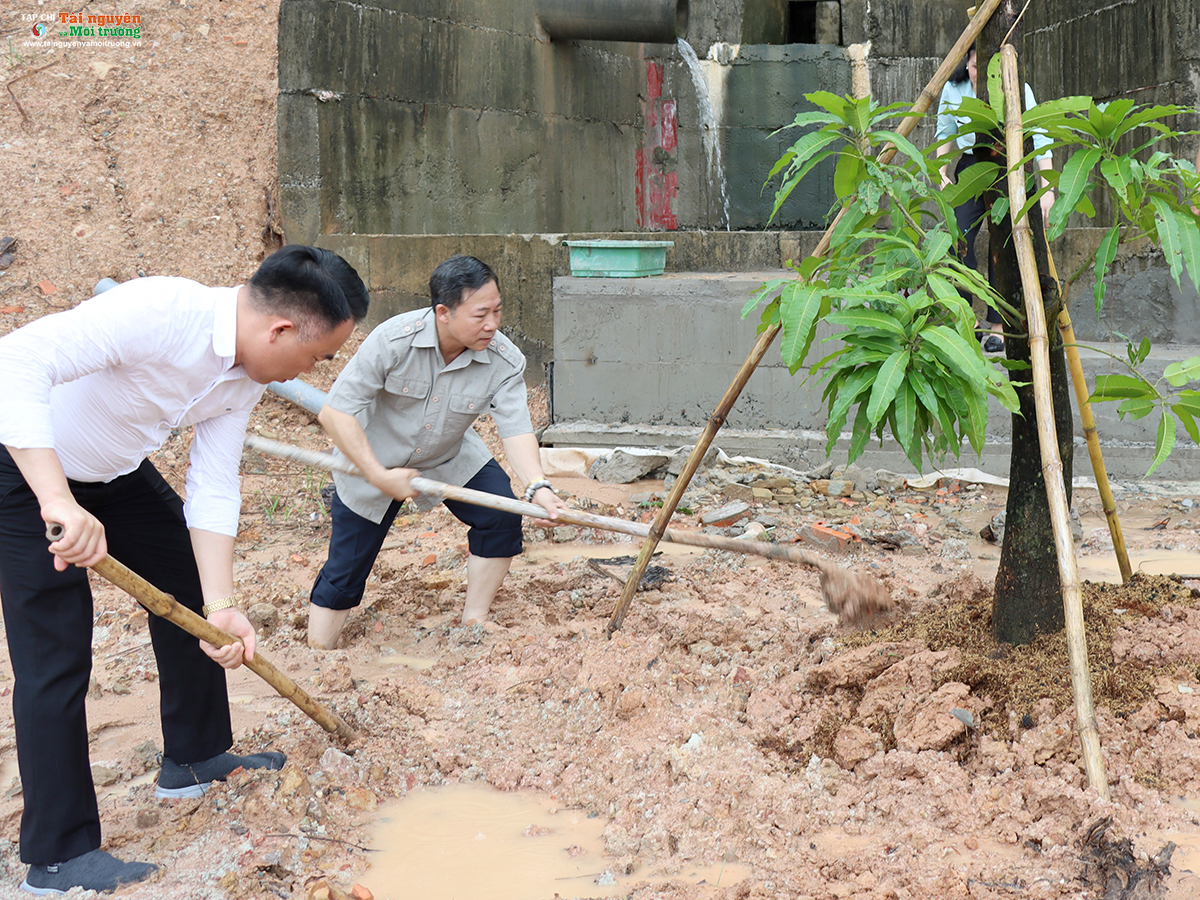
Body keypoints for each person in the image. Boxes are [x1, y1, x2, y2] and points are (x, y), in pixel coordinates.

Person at [0, 245, 368, 894]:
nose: (312, 372)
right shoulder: (160, 312)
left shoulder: (246, 373)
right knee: (55, 654)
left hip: (114, 473)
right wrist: (56, 499)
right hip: (24, 466)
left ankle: (194, 758)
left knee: (193, 598)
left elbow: (215, 482)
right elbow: (17, 361)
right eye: (316, 359)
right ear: (281, 330)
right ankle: (58, 857)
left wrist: (221, 602)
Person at [308, 254, 565, 649]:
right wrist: (377, 473)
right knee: (346, 569)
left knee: (501, 515)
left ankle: (475, 618)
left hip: (449, 455)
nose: (492, 324)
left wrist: (537, 486)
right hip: (371, 461)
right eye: (480, 314)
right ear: (443, 312)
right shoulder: (393, 340)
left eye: (497, 311)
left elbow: (515, 428)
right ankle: (318, 651)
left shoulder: (504, 359)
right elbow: (336, 412)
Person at [935, 47, 1055, 354]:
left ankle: (998, 326)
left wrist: (1047, 189)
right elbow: (945, 133)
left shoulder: (1018, 87)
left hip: (1010, 166)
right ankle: (965, 320)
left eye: (984, 68)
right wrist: (941, 173)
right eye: (974, 66)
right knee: (958, 238)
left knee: (1003, 244)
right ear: (966, 62)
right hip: (971, 167)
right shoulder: (954, 88)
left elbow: (1040, 140)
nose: (979, 74)